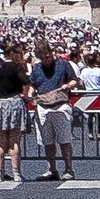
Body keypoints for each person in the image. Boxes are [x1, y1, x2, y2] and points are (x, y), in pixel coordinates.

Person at [0, 46, 29, 183]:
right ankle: (16, 173)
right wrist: (25, 94)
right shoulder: (17, 67)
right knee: (14, 141)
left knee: (1, 140)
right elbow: (26, 82)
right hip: (15, 102)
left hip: (0, 103)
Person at [33, 50, 79, 183]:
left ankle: (69, 169)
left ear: (51, 53)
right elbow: (32, 84)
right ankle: (52, 169)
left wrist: (68, 85)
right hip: (43, 106)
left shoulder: (63, 64)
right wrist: (30, 94)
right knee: (47, 141)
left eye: (47, 56)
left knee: (65, 140)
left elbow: (75, 80)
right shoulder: (37, 68)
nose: (46, 60)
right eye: (43, 58)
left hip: (60, 104)